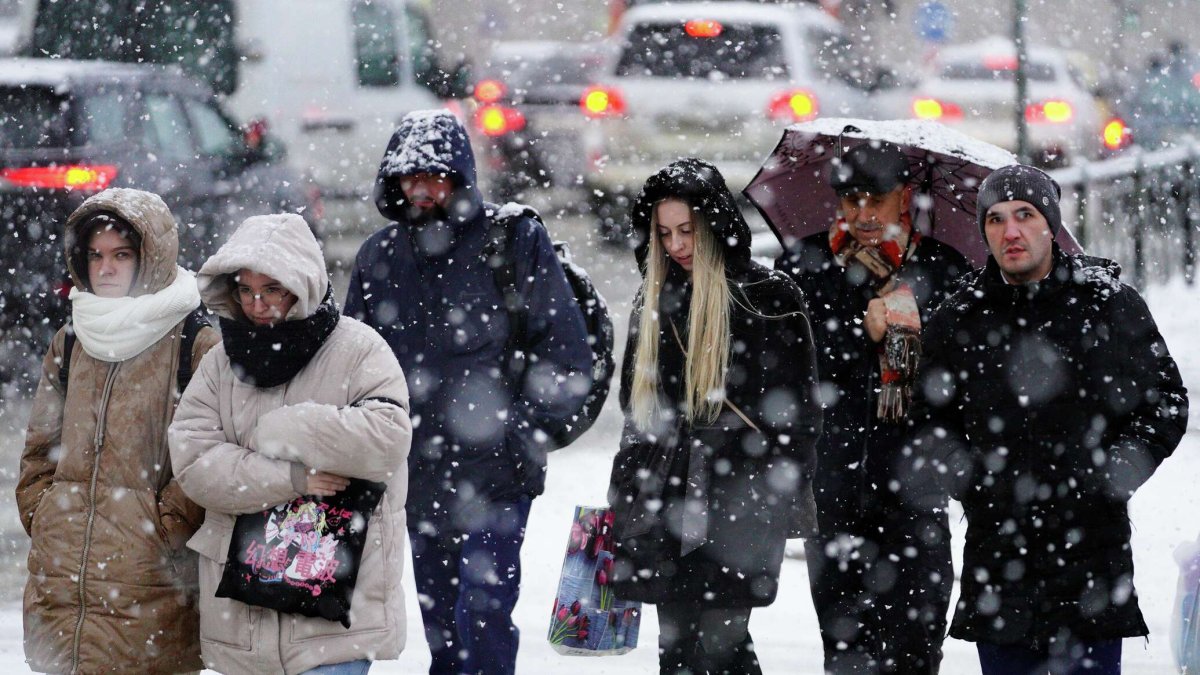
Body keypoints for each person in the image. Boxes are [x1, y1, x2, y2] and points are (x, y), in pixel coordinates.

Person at [910, 164, 1190, 675]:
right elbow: (927, 416)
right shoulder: (960, 316)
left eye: (1024, 215)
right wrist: (968, 477)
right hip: (999, 560)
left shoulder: (1107, 305)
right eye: (994, 219)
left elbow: (1164, 402)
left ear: (1052, 224)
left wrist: (1116, 471)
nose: (1009, 231)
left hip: (1091, 558)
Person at [344, 109, 592, 675]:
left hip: (497, 476)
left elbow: (565, 351)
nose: (423, 190)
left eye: (436, 176)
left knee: (483, 615)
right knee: (442, 629)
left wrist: (520, 432)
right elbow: (352, 365)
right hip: (417, 474)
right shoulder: (379, 258)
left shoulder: (513, 240)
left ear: (461, 176)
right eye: (411, 178)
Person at [167, 213, 412, 675]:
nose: (258, 305)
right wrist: (291, 477)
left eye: (273, 289)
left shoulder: (359, 349)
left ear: (303, 284)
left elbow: (389, 437)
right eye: (245, 290)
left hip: (334, 618)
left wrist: (287, 431)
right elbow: (194, 462)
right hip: (242, 618)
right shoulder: (220, 364)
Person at [606, 158, 822, 674]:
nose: (676, 245)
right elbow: (636, 411)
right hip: (664, 497)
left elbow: (801, 415)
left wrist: (775, 479)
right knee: (679, 650)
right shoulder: (654, 297)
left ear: (715, 226)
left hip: (741, 501)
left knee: (720, 641)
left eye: (687, 230)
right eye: (664, 233)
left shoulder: (767, 297)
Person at [775, 141, 968, 673]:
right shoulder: (805, 263)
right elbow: (789, 366)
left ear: (903, 197)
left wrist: (905, 334)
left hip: (915, 494)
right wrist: (856, 336)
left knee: (914, 651)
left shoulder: (940, 268)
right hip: (832, 491)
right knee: (845, 655)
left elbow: (961, 378)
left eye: (874, 201)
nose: (861, 215)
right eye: (850, 200)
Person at [17, 188, 219, 674]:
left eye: (121, 255)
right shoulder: (71, 340)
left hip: (150, 587)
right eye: (95, 255)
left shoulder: (195, 341)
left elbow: (209, 456)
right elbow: (39, 450)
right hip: (64, 583)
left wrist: (164, 529)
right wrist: (49, 519)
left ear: (150, 259)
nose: (105, 268)